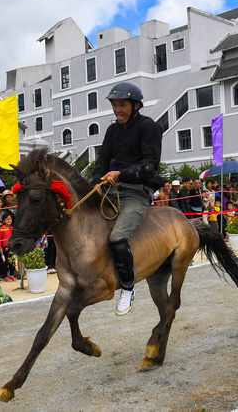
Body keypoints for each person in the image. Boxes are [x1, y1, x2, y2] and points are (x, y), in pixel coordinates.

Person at [92, 82, 162, 316]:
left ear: (136, 105)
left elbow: (151, 165)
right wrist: (95, 182)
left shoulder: (148, 126)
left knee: (118, 238)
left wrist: (121, 174)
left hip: (137, 190)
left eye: (122, 105)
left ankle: (128, 287)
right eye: (114, 105)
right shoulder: (112, 131)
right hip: (112, 188)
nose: (117, 109)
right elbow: (102, 160)